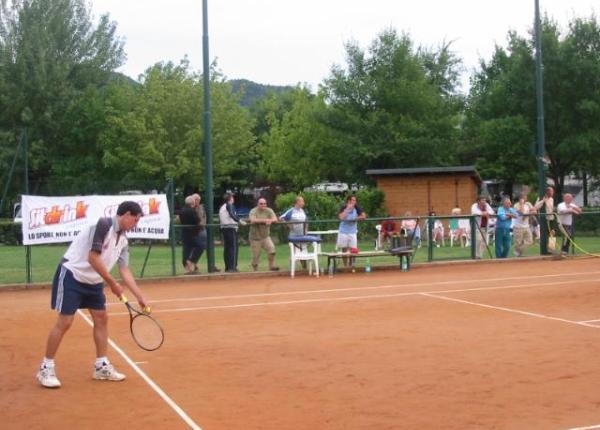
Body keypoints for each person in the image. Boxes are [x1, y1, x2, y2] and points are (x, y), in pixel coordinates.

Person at [36, 201, 149, 389]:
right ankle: (46, 368)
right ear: (126, 214)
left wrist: (139, 296)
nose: (136, 224)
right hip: (72, 274)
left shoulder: (124, 240)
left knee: (101, 318)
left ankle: (101, 366)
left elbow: (124, 270)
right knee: (65, 322)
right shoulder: (104, 225)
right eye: (135, 219)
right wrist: (111, 283)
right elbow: (92, 257)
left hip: (94, 281)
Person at [249, 197, 279, 271]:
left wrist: (271, 221)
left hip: (265, 237)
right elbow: (253, 220)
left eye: (265, 203)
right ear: (258, 204)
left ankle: (271, 267)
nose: (263, 205)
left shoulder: (269, 210)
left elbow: (275, 219)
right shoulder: (253, 211)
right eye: (261, 204)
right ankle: (255, 270)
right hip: (255, 238)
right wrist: (266, 220)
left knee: (272, 250)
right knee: (256, 257)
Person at [337, 195, 366, 267]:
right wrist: (347, 210)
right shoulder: (344, 207)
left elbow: (364, 216)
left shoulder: (357, 208)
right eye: (353, 200)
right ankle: (345, 266)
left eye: (355, 200)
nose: (354, 202)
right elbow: (341, 217)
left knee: (353, 249)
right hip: (343, 231)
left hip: (352, 232)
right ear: (349, 201)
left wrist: (356, 218)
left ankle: (351, 265)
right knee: (344, 249)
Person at [219, 193, 245, 272]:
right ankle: (232, 267)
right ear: (230, 198)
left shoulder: (222, 207)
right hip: (230, 228)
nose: (233, 198)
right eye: (232, 197)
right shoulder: (229, 205)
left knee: (227, 248)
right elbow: (232, 214)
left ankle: (228, 267)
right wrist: (239, 221)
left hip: (225, 228)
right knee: (233, 248)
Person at [178, 195, 203, 274]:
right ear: (192, 202)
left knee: (186, 250)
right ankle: (191, 261)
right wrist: (200, 226)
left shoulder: (181, 210)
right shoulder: (192, 210)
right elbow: (198, 221)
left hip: (185, 233)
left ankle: (188, 268)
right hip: (193, 233)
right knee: (200, 246)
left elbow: (180, 220)